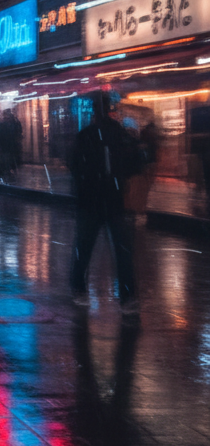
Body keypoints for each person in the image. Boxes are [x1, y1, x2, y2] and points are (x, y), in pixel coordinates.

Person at [69, 92, 144, 315]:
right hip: (113, 199)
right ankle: (128, 297)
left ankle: (79, 288)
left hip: (90, 200)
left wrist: (86, 182)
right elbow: (136, 163)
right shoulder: (120, 135)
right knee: (122, 250)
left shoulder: (86, 135)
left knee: (84, 247)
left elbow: (73, 164)